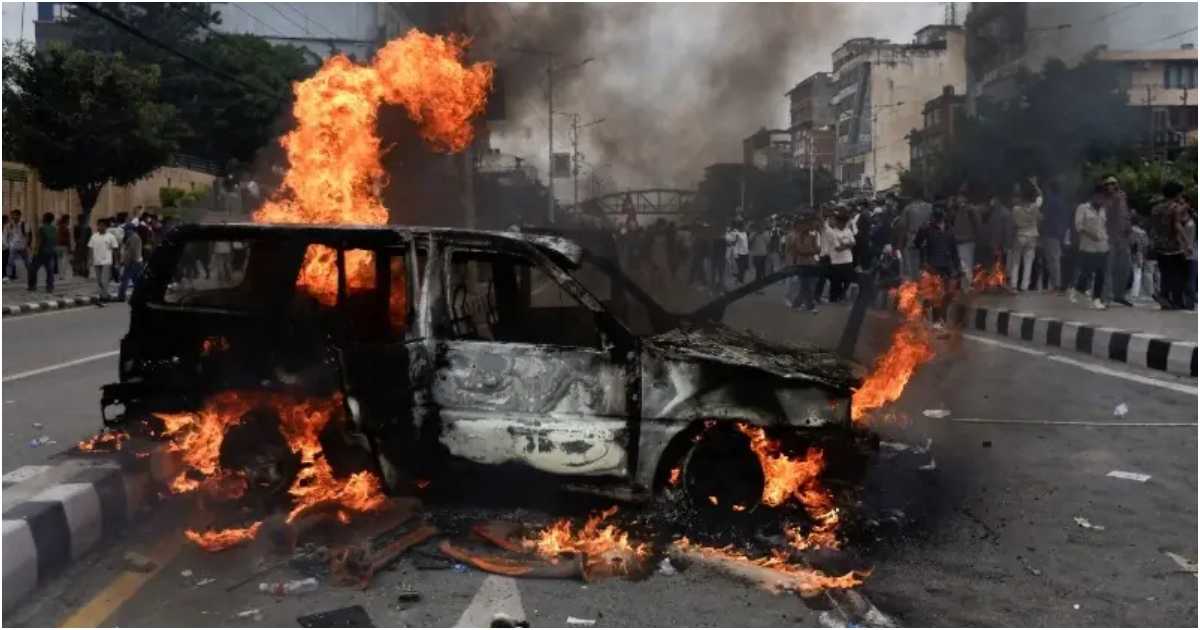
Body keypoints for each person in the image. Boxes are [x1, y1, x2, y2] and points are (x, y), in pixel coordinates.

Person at [1150, 182, 1193, 310]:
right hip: (1174, 246)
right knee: (1180, 274)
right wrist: (1187, 243)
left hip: (1159, 245)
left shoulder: (1156, 208)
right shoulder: (1176, 208)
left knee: (1165, 273)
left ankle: (1164, 296)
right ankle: (1177, 300)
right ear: (1177, 194)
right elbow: (1177, 225)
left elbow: (1153, 226)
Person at [915, 208, 961, 326]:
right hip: (930, 267)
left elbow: (954, 251)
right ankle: (925, 317)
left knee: (943, 295)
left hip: (945, 267)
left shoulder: (949, 231)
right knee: (931, 294)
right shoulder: (927, 229)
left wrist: (958, 268)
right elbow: (917, 244)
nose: (938, 219)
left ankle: (938, 320)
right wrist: (921, 231)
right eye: (936, 216)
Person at [1070, 185, 1110, 310]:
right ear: (1093, 196)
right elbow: (1079, 226)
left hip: (1103, 246)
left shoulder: (1103, 210)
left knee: (1101, 273)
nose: (1101, 200)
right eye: (1099, 197)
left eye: (1103, 198)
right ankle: (1077, 289)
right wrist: (1091, 235)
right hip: (1088, 247)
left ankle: (1097, 299)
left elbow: (1104, 226)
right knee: (1087, 273)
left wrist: (1106, 239)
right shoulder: (1083, 208)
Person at [1098, 175, 1133, 306]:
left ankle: (1119, 295)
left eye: (1113, 184)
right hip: (1109, 238)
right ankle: (1105, 297)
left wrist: (1129, 231)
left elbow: (1126, 217)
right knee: (1108, 268)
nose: (1111, 186)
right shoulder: (1104, 200)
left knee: (1124, 268)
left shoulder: (1122, 198)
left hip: (1123, 239)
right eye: (1108, 184)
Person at [1009, 177, 1042, 291]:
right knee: (1028, 262)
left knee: (1016, 262)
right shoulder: (1035, 208)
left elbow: (1013, 224)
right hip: (1032, 235)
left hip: (1020, 235)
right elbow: (1040, 197)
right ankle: (1025, 286)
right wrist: (1035, 185)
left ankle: (1014, 284)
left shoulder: (1016, 209)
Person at [1038, 178, 1071, 292]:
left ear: (1050, 189)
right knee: (1055, 258)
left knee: (1052, 259)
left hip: (1050, 233)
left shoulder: (1051, 201)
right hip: (1059, 233)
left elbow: (1044, 216)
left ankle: (1056, 284)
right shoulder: (1062, 201)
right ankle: (1057, 283)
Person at [948, 185, 980, 291]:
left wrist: (975, 237)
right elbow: (951, 221)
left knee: (966, 265)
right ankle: (964, 285)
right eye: (958, 197)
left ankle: (967, 285)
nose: (958, 199)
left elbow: (977, 224)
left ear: (965, 198)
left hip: (967, 241)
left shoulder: (971, 210)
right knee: (962, 265)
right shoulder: (957, 210)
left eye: (960, 197)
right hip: (958, 241)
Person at [786, 217, 821, 311]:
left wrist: (810, 251)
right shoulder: (797, 237)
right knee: (806, 286)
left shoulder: (812, 236)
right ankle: (806, 305)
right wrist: (812, 251)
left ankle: (798, 304)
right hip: (802, 264)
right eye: (806, 225)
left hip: (812, 264)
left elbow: (818, 249)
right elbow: (800, 250)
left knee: (808, 286)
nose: (809, 227)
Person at [825, 210, 856, 303]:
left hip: (848, 259)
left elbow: (854, 243)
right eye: (841, 222)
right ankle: (834, 298)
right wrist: (848, 245)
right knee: (836, 281)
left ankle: (843, 295)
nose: (843, 224)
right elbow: (837, 248)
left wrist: (844, 244)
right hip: (836, 260)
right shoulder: (833, 233)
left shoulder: (848, 231)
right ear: (838, 222)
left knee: (848, 279)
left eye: (844, 222)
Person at [898, 196, 932, 280]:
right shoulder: (930, 207)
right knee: (928, 263)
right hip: (929, 238)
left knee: (913, 264)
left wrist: (900, 243)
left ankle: (915, 281)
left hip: (912, 239)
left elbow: (902, 227)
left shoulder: (908, 208)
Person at [88, 219, 120, 303]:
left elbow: (115, 249)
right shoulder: (94, 236)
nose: (100, 227)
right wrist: (90, 259)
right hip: (97, 261)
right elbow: (90, 248)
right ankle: (106, 294)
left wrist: (116, 261)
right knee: (99, 281)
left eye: (102, 226)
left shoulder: (111, 237)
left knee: (104, 280)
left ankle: (104, 297)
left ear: (106, 227)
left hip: (107, 261)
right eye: (99, 225)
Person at [27, 212, 58, 292]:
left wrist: (35, 251)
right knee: (50, 270)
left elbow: (40, 241)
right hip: (51, 251)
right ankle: (50, 287)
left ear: (45, 219)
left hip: (42, 251)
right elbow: (55, 240)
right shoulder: (54, 229)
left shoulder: (42, 228)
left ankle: (32, 286)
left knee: (33, 269)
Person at [116, 224, 144, 302]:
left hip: (132, 262)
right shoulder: (132, 237)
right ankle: (140, 295)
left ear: (131, 230)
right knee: (136, 280)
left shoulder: (134, 238)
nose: (125, 231)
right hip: (136, 262)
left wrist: (127, 262)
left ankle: (121, 297)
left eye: (126, 230)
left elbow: (133, 252)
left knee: (125, 279)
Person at [1129, 217, 1150, 301]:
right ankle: (1135, 292)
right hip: (1139, 254)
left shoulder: (1129, 231)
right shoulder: (1143, 233)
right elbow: (1146, 244)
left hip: (1128, 253)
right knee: (1137, 273)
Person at [6, 209, 30, 280]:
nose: (14, 217)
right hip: (13, 246)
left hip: (22, 246)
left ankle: (31, 274)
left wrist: (26, 245)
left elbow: (27, 235)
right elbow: (9, 235)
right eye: (13, 215)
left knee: (26, 262)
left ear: (19, 215)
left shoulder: (24, 224)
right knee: (10, 262)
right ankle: (9, 276)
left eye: (15, 215)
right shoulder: (10, 225)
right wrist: (9, 244)